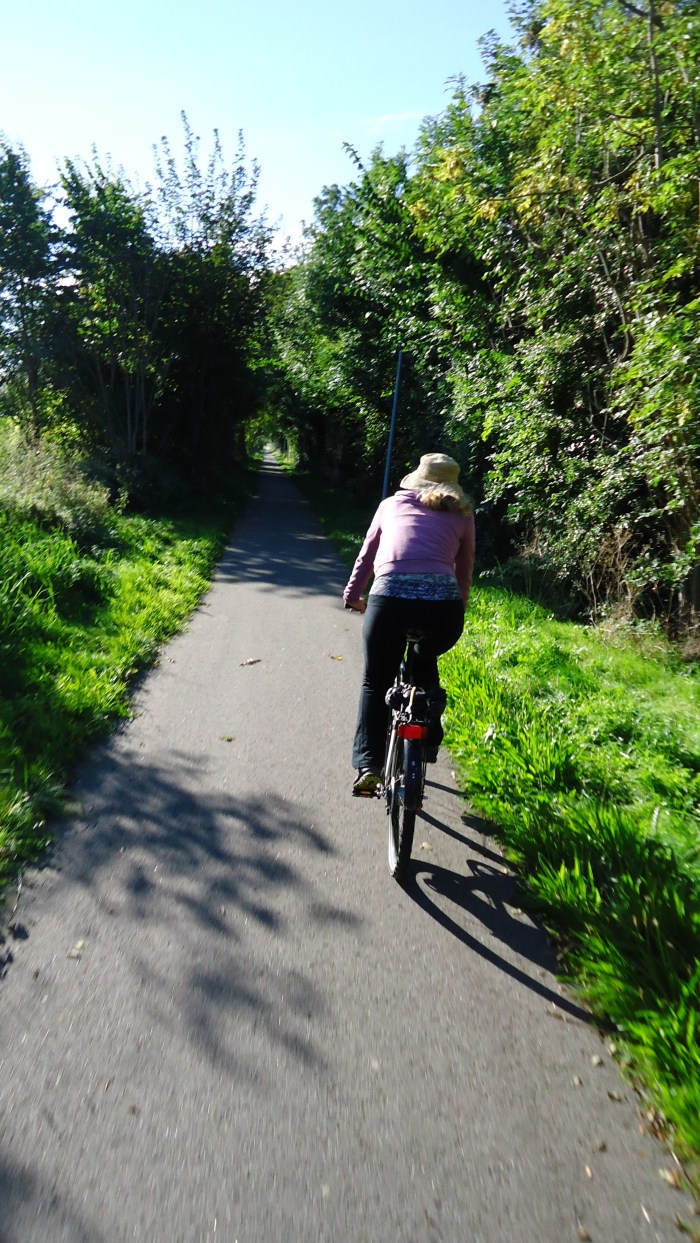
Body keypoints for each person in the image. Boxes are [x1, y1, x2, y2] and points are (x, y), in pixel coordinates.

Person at [343, 452, 475, 796]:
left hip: (389, 602)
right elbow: (465, 568)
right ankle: (429, 723)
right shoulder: (463, 514)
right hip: (443, 612)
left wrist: (354, 595)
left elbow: (368, 554)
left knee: (375, 681)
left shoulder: (390, 505)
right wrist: (456, 609)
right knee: (424, 655)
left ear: (418, 477)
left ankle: (369, 766)